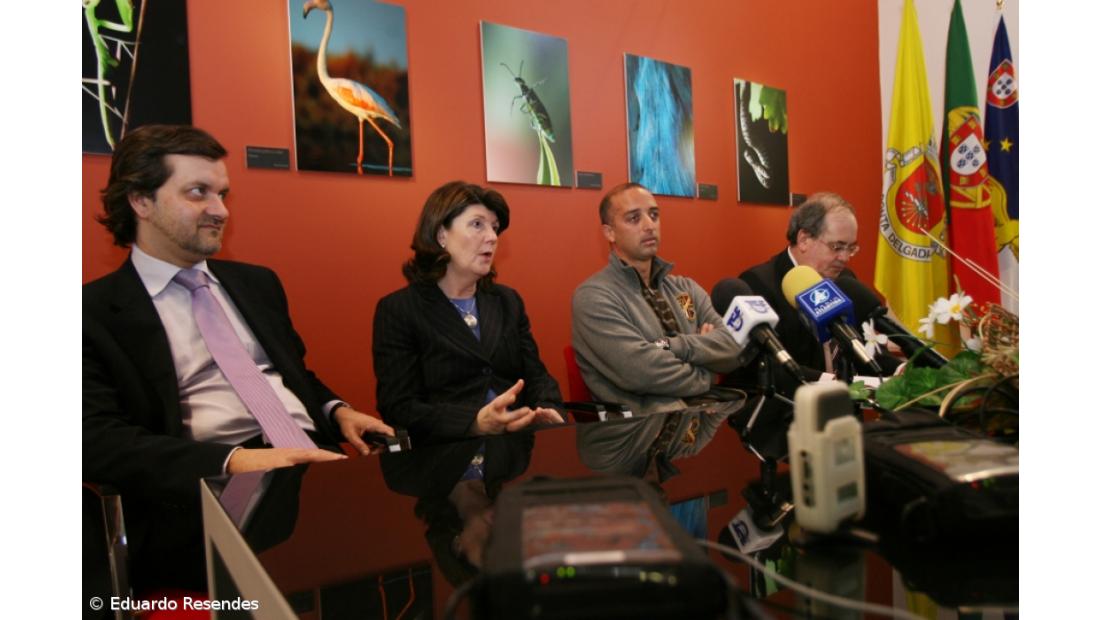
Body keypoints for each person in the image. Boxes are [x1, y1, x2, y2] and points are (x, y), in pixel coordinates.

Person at [83, 125, 393, 592]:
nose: (220, 210)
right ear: (140, 202)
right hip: (201, 496)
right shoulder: (91, 313)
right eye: (198, 193)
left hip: (312, 475)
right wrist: (234, 461)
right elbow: (97, 440)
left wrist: (337, 410)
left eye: (223, 194)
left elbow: (292, 375)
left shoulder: (257, 283)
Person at [372, 181, 563, 445]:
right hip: (446, 456)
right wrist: (474, 423)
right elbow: (399, 406)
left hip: (514, 454)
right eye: (477, 225)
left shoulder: (507, 301)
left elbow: (537, 376)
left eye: (495, 228)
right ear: (441, 235)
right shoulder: (400, 310)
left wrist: (547, 408)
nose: (493, 237)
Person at [571, 182, 747, 416]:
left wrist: (673, 346)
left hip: (704, 419)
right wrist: (708, 368)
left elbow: (735, 347)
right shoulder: (594, 296)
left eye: (654, 215)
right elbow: (640, 371)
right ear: (609, 232)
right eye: (634, 219)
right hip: (639, 435)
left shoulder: (686, 288)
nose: (649, 226)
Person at [739, 191, 898, 377]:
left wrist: (901, 372)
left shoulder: (845, 280)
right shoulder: (759, 284)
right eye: (837, 247)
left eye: (851, 248)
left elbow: (866, 349)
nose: (845, 258)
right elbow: (766, 366)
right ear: (804, 240)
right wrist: (830, 383)